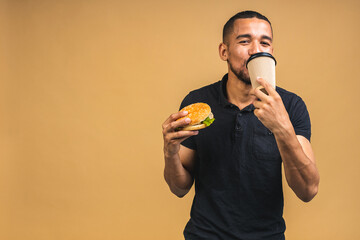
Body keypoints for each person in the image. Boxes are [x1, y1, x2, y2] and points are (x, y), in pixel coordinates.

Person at [162, 10, 320, 240]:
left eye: (264, 43)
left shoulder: (292, 106)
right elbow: (179, 188)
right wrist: (170, 152)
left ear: (271, 52)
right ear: (224, 51)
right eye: (244, 41)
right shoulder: (197, 103)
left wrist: (282, 127)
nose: (256, 50)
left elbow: (308, 190)